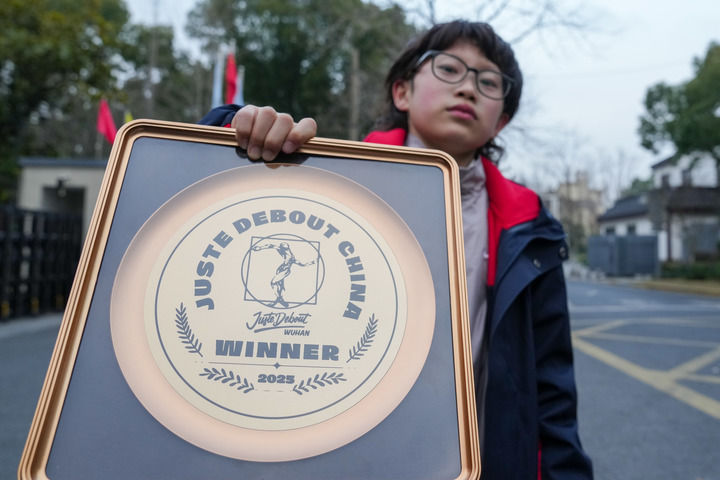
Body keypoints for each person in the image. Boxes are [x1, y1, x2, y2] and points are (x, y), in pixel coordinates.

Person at [200, 20, 593, 480]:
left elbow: (551, 392)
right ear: (402, 92)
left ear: (501, 120)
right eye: (449, 69)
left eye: (489, 83)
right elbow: (211, 196)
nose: (468, 88)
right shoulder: (334, 180)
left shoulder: (530, 227)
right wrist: (238, 132)